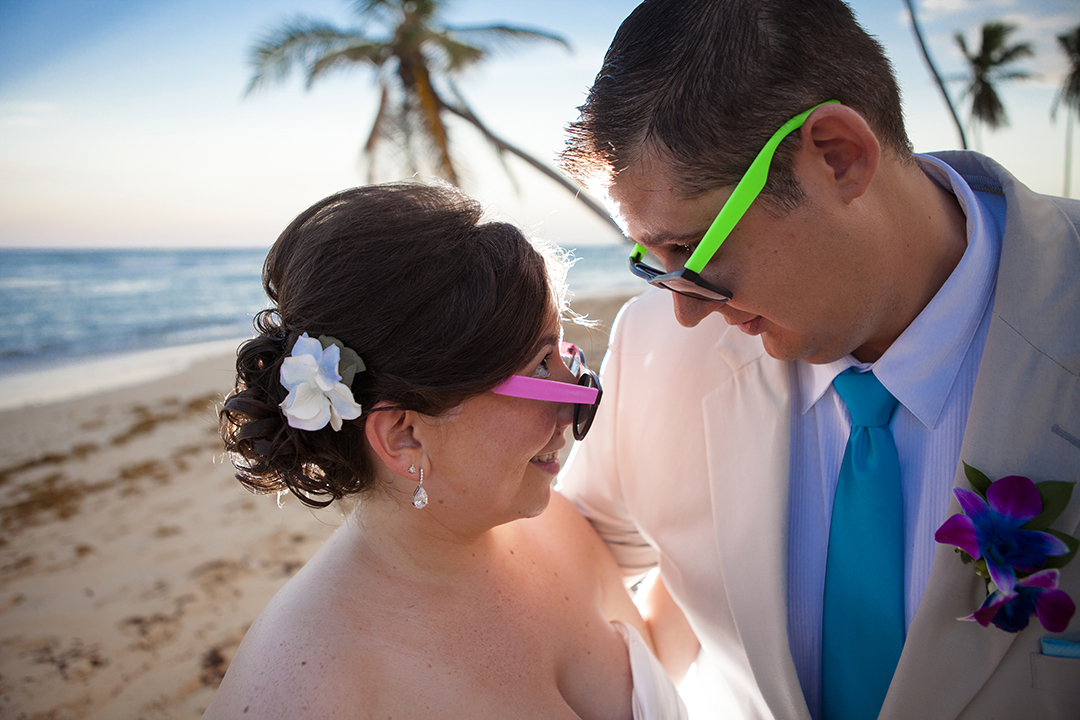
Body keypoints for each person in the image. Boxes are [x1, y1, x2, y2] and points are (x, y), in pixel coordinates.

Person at [556, 1, 1080, 719]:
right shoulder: (654, 348)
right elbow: (573, 549)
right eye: (653, 260)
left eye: (692, 251)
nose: (684, 308)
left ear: (839, 155)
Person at [202, 182, 688, 719]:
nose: (577, 401)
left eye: (563, 353)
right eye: (539, 368)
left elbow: (655, 662)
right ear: (405, 436)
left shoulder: (556, 525)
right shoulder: (299, 692)